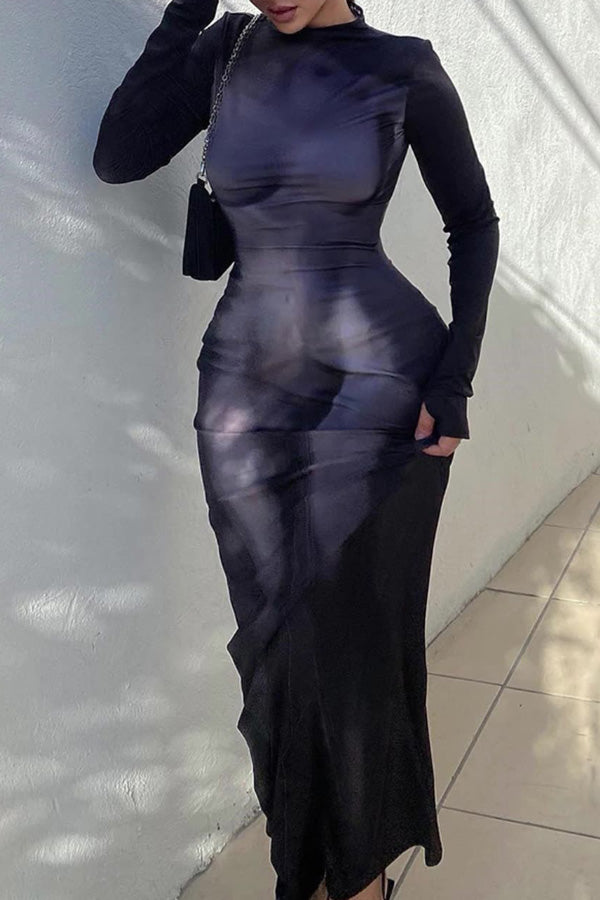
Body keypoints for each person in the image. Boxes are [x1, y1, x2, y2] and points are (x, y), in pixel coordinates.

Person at [92, 2, 500, 900]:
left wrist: (454, 381)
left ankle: (352, 875)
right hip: (243, 394)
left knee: (352, 640)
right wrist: (187, 11)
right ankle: (306, 862)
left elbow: (473, 222)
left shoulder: (403, 66)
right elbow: (118, 157)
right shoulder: (229, 47)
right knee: (276, 647)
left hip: (382, 391)